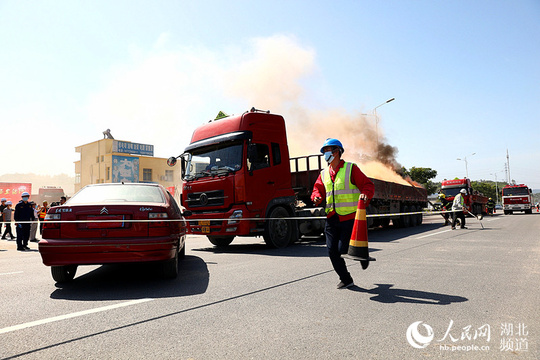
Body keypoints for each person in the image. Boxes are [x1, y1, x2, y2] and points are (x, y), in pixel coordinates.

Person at [311, 138, 375, 289]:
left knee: (342, 250)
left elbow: (367, 185)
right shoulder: (324, 173)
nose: (326, 154)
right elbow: (317, 189)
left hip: (349, 217)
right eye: (324, 151)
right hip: (331, 218)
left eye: (329, 150)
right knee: (332, 251)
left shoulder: (350, 168)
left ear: (337, 152)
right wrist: (316, 197)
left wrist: (365, 194)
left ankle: (362, 255)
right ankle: (346, 279)